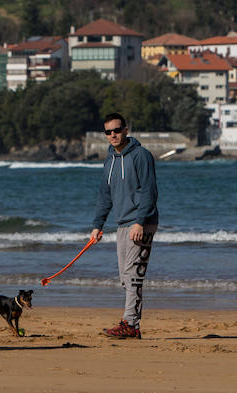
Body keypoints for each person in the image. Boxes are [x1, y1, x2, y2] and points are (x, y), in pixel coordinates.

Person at [90, 113, 158, 339]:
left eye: (117, 130)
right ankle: (131, 325)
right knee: (124, 277)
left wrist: (140, 221)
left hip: (141, 223)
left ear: (126, 130)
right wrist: (98, 224)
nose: (113, 135)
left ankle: (130, 324)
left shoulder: (141, 155)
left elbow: (149, 191)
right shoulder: (109, 160)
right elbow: (105, 195)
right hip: (122, 223)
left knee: (133, 276)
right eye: (108, 132)